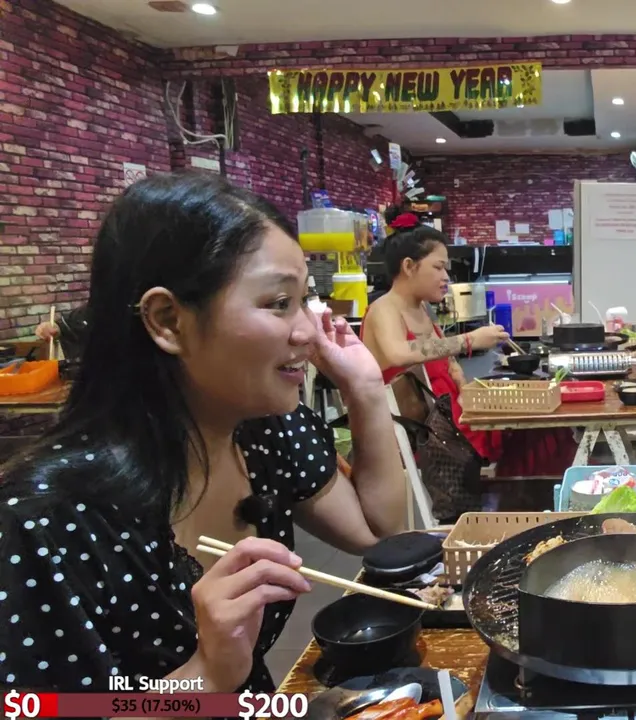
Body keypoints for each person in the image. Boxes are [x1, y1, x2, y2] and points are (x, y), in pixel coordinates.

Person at [0, 172, 406, 695]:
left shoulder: (266, 430)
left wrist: (366, 389)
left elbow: (377, 533)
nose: (307, 330)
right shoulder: (44, 520)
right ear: (168, 320)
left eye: (304, 299)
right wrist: (206, 675)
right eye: (278, 302)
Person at [361, 228, 576, 488]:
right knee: (538, 431)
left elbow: (451, 367)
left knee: (546, 422)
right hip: (433, 432)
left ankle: (531, 494)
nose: (446, 277)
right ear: (408, 266)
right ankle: (530, 495)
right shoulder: (384, 309)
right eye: (438, 267)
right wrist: (469, 340)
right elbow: (398, 354)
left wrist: (469, 392)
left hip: (453, 417)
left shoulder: (421, 309)